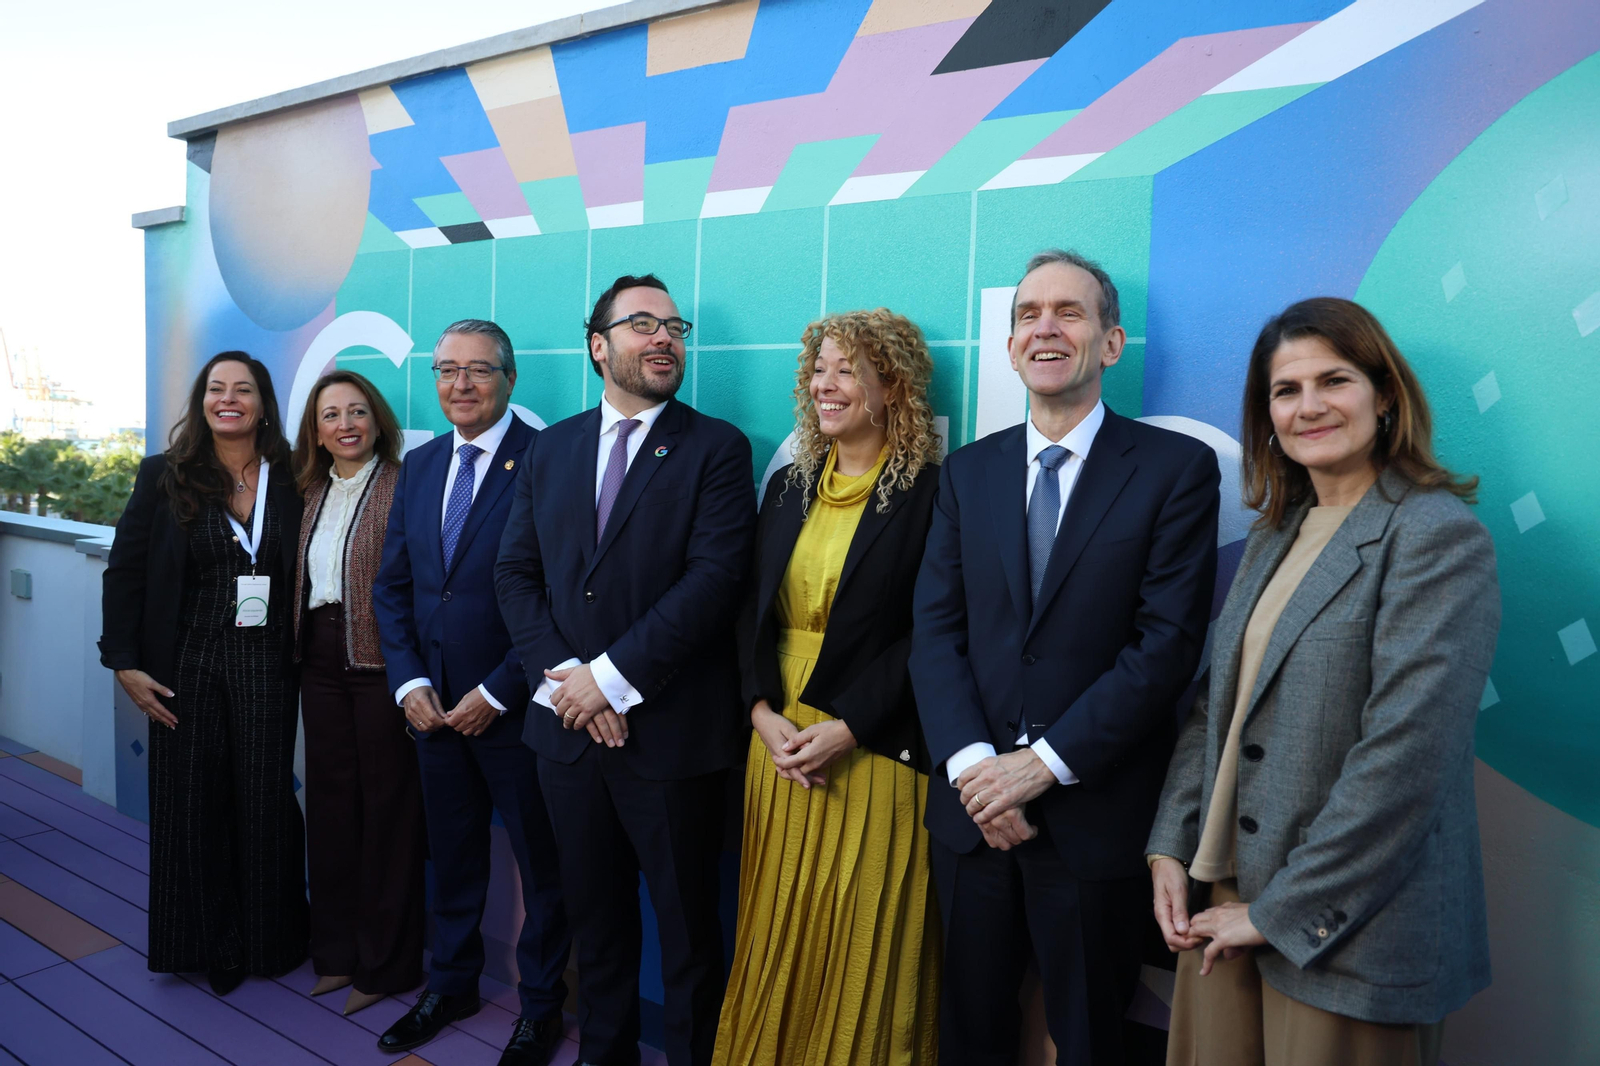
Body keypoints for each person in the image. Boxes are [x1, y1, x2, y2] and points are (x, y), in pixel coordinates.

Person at [1145, 297, 1498, 1066]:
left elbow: (1408, 758)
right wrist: (1170, 844)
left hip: (1344, 927)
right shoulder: (1276, 532)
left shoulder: (1435, 536)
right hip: (1222, 905)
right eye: (1286, 390)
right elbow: (1216, 707)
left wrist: (1277, 913)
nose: (1309, 406)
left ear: (1385, 395)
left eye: (1333, 381)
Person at [911, 250, 1220, 1066]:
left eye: (1069, 312)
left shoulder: (1173, 471)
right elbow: (935, 631)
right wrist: (979, 774)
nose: (1045, 327)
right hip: (973, 822)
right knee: (969, 1037)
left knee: (1089, 1039)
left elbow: (1165, 648)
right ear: (1011, 346)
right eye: (1028, 314)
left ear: (1111, 343)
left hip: (1094, 820)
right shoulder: (967, 473)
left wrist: (1040, 767)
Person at [496, 274, 756, 1066]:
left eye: (674, 326)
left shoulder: (716, 447)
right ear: (598, 346)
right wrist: (570, 680)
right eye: (643, 323)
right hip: (568, 738)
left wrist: (607, 680)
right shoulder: (551, 448)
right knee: (596, 922)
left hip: (672, 741)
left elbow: (713, 583)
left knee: (688, 935)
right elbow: (516, 574)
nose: (665, 337)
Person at [712, 309, 944, 1066]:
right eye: (819, 369)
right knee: (778, 925)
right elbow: (750, 608)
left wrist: (850, 725)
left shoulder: (934, 493)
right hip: (777, 741)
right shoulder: (787, 487)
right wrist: (757, 709)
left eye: (848, 370)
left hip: (874, 746)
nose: (826, 385)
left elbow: (935, 631)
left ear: (893, 386)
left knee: (866, 943)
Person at [372, 320, 570, 1066]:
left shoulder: (549, 460)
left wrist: (499, 689)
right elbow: (393, 587)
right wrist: (409, 683)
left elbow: (556, 597)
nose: (461, 384)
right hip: (433, 711)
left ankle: (541, 1010)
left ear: (509, 379)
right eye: (446, 370)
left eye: (478, 370)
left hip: (515, 712)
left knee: (543, 869)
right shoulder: (422, 464)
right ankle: (451, 985)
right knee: (453, 859)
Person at [100, 351, 308, 995]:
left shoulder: (296, 473)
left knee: (265, 803)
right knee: (191, 804)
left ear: (263, 404)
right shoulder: (164, 474)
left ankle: (271, 939)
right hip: (186, 662)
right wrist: (123, 662)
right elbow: (125, 570)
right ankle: (211, 943)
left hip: (269, 662)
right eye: (216, 388)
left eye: (243, 389)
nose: (228, 399)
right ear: (201, 402)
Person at [289, 369, 423, 1015]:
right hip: (316, 660)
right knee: (331, 809)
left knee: (389, 815)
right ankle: (336, 954)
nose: (345, 424)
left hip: (382, 664)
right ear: (316, 432)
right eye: (331, 415)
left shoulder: (405, 483)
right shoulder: (306, 490)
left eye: (357, 411)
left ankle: (386, 965)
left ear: (377, 420)